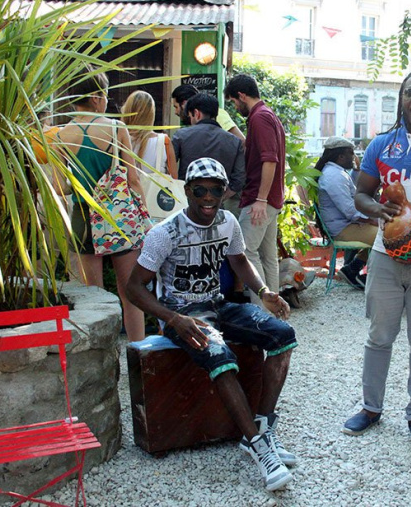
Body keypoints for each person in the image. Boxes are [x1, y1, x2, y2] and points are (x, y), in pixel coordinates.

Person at [125, 157, 297, 492]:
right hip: (183, 316)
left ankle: (261, 428)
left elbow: (239, 259)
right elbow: (133, 287)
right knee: (220, 356)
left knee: (283, 335)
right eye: (200, 190)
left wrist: (264, 292)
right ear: (187, 190)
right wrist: (172, 318)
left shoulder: (228, 221)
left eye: (215, 190)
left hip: (217, 305)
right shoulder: (166, 233)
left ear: (223, 192)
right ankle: (259, 446)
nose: (208, 197)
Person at [342, 70, 411, 444]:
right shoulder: (382, 144)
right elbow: (361, 194)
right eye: (410, 92)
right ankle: (371, 407)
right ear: (402, 100)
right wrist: (376, 210)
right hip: (385, 255)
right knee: (379, 335)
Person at [54, 71, 146, 341]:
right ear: (96, 97)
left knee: (92, 295)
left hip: (82, 216)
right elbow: (133, 179)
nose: (106, 101)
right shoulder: (116, 128)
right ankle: (138, 354)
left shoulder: (62, 134)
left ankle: (100, 354)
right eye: (105, 95)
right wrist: (143, 216)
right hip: (117, 215)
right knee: (130, 291)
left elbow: (61, 187)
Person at [224, 74, 286, 305]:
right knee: (268, 257)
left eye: (233, 102)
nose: (235, 106)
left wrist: (260, 199)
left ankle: (262, 314)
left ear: (241, 95)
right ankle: (275, 313)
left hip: (261, 199)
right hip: (271, 199)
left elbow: (270, 160)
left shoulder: (259, 117)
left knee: (244, 253)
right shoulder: (268, 115)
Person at [315, 136, 377, 289]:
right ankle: (368, 276)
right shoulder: (333, 176)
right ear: (341, 156)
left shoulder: (337, 173)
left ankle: (352, 269)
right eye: (351, 153)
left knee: (386, 232)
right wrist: (372, 219)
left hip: (348, 225)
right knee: (388, 236)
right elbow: (350, 210)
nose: (354, 157)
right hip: (343, 229)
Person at [172, 92, 246, 217]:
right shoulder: (234, 142)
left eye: (190, 116)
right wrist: (219, 197)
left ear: (196, 113)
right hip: (218, 209)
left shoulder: (181, 136)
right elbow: (239, 179)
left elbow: (168, 167)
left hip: (186, 205)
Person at [121, 90, 178, 178]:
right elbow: (174, 178)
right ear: (151, 114)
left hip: (125, 191)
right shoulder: (164, 141)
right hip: (157, 191)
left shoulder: (119, 140)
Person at [171, 84, 245, 141]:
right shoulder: (192, 122)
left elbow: (241, 141)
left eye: (176, 107)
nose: (176, 112)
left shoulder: (218, 114)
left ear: (184, 103)